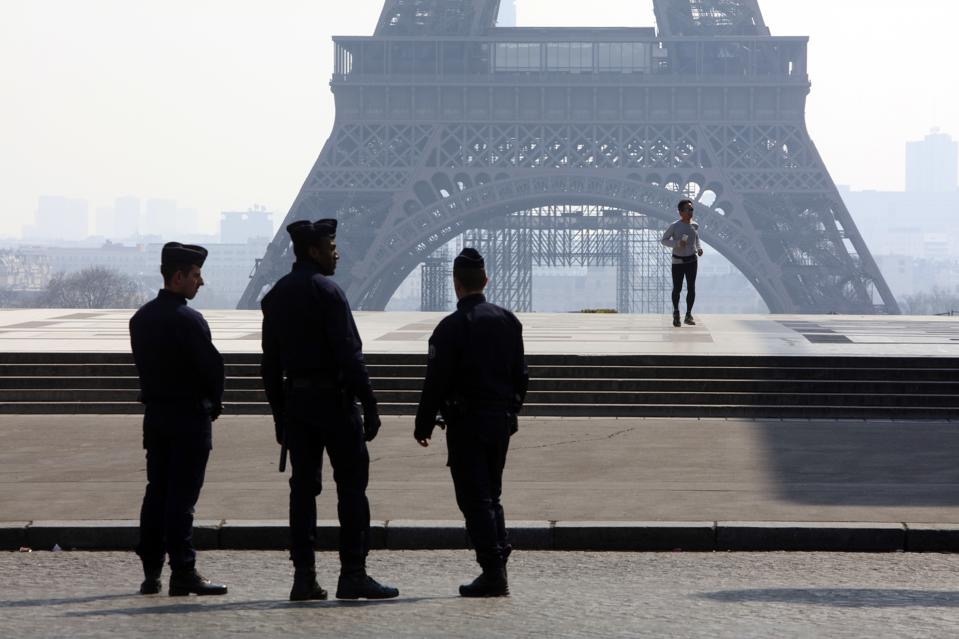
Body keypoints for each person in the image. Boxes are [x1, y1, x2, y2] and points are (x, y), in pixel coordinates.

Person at [260, 218, 398, 602]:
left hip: (298, 405)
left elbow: (269, 365)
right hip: (335, 404)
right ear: (313, 250)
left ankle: (303, 577)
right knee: (352, 489)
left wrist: (279, 415)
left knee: (302, 491)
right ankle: (353, 574)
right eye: (332, 247)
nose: (337, 254)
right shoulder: (329, 292)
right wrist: (370, 404)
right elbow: (350, 355)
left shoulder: (276, 296)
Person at [414, 248, 529, 598]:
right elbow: (521, 376)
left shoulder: (449, 328)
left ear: (456, 284)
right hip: (500, 421)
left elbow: (435, 382)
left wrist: (423, 425)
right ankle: (499, 560)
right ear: (486, 280)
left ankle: (493, 571)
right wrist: (512, 411)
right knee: (492, 494)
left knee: (474, 498)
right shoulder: (508, 321)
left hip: (467, 424)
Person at [129, 242, 228, 597]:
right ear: (178, 277)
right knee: (182, 498)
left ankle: (151, 570)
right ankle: (183, 570)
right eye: (196, 275)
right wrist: (213, 404)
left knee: (156, 492)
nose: (201, 282)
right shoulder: (190, 320)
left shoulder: (140, 319)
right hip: (189, 418)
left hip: (156, 417)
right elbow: (213, 369)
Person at [660, 198, 704, 327]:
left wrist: (699, 248)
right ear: (680, 212)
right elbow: (664, 240)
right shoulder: (675, 226)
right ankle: (676, 312)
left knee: (691, 287)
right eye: (688, 209)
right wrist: (677, 243)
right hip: (678, 261)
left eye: (692, 209)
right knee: (677, 288)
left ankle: (688, 314)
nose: (690, 211)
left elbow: (696, 238)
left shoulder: (695, 225)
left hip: (692, 260)